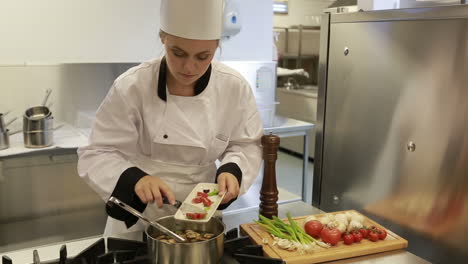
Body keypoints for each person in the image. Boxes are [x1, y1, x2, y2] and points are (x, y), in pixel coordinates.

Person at [77, 0, 263, 236]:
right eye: (178, 53)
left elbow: (246, 144)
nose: (189, 67)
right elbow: (96, 153)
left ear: (216, 47)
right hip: (140, 212)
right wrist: (135, 179)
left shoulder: (233, 87)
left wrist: (233, 169)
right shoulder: (132, 85)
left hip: (202, 210)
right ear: (163, 38)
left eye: (203, 56)